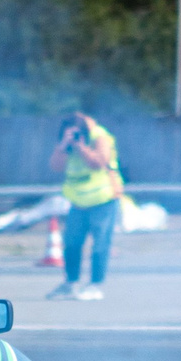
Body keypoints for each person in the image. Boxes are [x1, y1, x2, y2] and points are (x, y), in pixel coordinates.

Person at [46, 110, 122, 301]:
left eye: (77, 132)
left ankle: (95, 285)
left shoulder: (99, 137)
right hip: (78, 202)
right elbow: (55, 166)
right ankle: (71, 283)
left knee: (100, 245)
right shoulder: (66, 144)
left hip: (102, 200)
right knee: (71, 244)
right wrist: (63, 145)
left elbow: (98, 162)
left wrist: (80, 146)